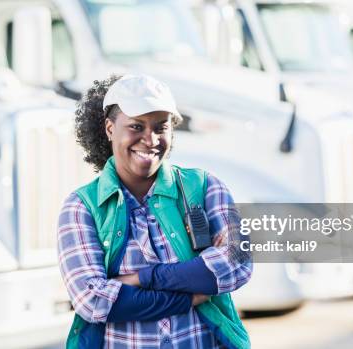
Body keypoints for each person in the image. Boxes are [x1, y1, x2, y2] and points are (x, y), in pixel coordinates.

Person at [57, 74, 252, 349]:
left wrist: (141, 279)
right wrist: (190, 295)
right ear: (110, 128)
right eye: (137, 127)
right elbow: (93, 301)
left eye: (161, 128)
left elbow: (238, 263)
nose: (150, 140)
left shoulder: (205, 187)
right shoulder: (81, 208)